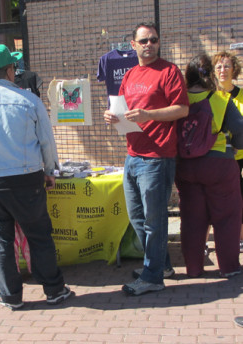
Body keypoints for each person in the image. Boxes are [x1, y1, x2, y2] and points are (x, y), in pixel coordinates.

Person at [0, 44, 72, 309]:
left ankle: (10, 296)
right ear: (9, 71)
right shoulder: (29, 101)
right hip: (27, 180)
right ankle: (54, 290)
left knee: (1, 241)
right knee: (39, 235)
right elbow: (46, 142)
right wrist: (50, 171)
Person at [104, 22, 190, 295]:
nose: (149, 44)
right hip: (133, 154)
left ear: (159, 42)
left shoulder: (169, 71)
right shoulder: (130, 75)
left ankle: (152, 278)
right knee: (137, 217)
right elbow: (124, 108)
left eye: (153, 40)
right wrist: (112, 116)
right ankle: (161, 265)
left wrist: (149, 115)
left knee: (155, 220)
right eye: (143, 41)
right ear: (133, 45)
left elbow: (182, 109)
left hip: (157, 157)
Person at [175, 53, 243, 278]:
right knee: (227, 216)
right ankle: (230, 267)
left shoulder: (178, 101)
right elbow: (240, 129)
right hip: (219, 164)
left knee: (192, 218)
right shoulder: (221, 100)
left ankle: (194, 268)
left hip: (185, 166)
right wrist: (234, 146)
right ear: (210, 75)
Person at [212, 51, 243, 253]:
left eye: (226, 66)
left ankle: (239, 238)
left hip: (240, 157)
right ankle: (214, 240)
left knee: (240, 198)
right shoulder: (210, 95)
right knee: (216, 200)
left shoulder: (241, 95)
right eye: (219, 67)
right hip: (217, 157)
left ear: (234, 70)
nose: (222, 70)